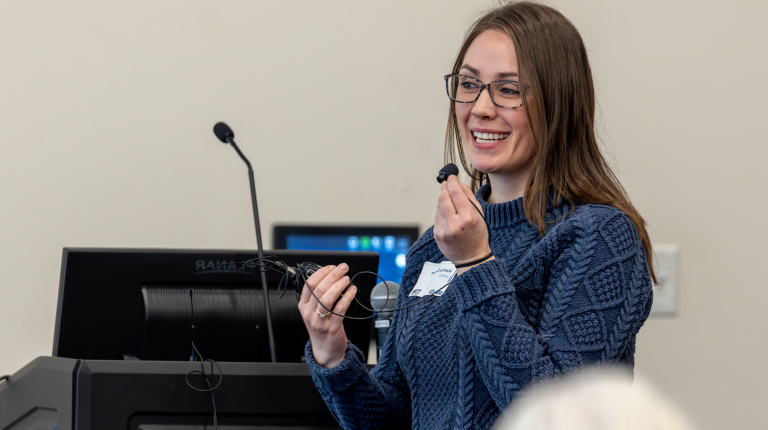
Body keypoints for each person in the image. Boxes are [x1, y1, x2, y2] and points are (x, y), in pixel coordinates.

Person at [297, 2, 655, 429]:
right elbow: (396, 418)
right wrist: (333, 355)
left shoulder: (598, 236)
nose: (480, 108)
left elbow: (561, 415)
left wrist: (476, 265)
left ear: (558, 101)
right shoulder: (435, 245)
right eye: (469, 84)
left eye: (508, 89)